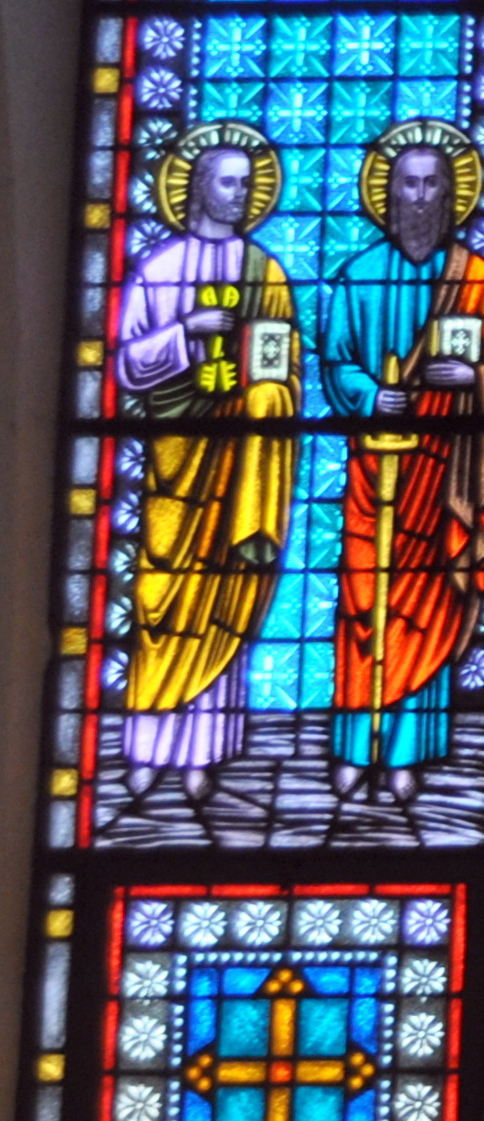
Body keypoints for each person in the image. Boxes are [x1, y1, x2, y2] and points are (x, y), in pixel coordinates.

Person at [316, 120, 484, 805]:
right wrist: (373, 394)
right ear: (390, 193)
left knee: (430, 606)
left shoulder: (476, 278)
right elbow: (335, 360)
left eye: (434, 183)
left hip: (445, 472)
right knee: (363, 604)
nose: (422, 195)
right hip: (374, 470)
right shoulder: (357, 277)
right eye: (410, 182)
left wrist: (473, 378)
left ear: (450, 194)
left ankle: (406, 753)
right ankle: (354, 745)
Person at [113, 121, 298, 808]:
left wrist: (264, 389)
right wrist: (186, 334)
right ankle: (147, 745)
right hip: (177, 455)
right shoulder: (159, 270)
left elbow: (284, 366)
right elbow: (127, 366)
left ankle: (203, 755)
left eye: (249, 184)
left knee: (224, 601)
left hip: (239, 462)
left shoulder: (266, 273)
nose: (241, 194)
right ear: (197, 188)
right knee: (162, 600)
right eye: (229, 182)